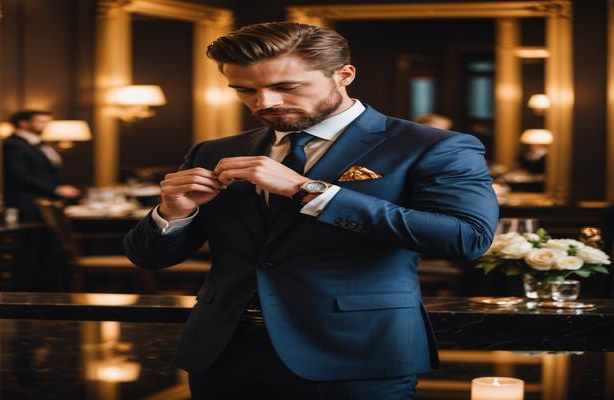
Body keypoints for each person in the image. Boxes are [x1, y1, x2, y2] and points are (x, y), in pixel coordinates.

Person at [123, 22, 498, 399]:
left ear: (344, 74)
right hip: (222, 352)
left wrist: (306, 190)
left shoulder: (434, 147)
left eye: (286, 87)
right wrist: (173, 213)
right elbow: (149, 258)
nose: (264, 103)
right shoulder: (213, 151)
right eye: (245, 90)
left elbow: (466, 239)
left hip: (354, 355)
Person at [2, 110, 81, 221]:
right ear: (23, 123)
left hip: (48, 201)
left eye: (47, 122)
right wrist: (55, 189)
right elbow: (18, 175)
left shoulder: (41, 144)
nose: (45, 126)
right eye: (41, 122)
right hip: (29, 203)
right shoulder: (13, 144)